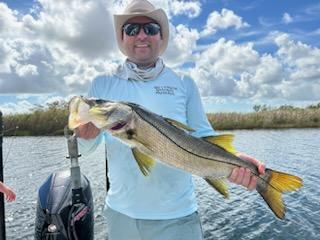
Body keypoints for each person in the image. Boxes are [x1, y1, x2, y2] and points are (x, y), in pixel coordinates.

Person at [76, 0, 265, 239]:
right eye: (132, 28)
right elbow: (85, 147)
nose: (142, 35)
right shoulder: (102, 84)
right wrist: (84, 134)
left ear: (161, 36)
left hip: (178, 218)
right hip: (121, 216)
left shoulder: (184, 82)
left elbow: (203, 137)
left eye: (151, 29)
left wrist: (235, 162)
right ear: (122, 37)